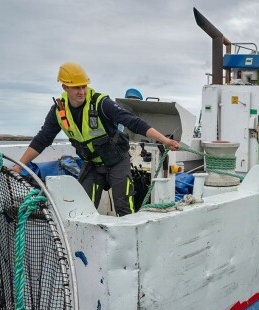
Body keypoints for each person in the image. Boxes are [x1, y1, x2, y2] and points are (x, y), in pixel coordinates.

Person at [13, 62, 179, 216]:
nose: (81, 91)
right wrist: (19, 166)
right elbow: (42, 139)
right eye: (76, 87)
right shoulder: (58, 111)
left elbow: (133, 122)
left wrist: (164, 140)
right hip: (92, 164)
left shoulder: (101, 103)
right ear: (65, 87)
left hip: (117, 161)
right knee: (84, 208)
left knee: (124, 207)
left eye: (84, 86)